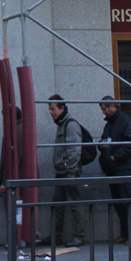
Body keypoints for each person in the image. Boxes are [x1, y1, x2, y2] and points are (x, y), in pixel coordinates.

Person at [97, 96, 131, 245]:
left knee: (127, 201)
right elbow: (105, 139)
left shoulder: (124, 121)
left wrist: (114, 157)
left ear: (112, 106)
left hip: (123, 168)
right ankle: (126, 233)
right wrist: (101, 145)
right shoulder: (111, 123)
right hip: (115, 168)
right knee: (120, 202)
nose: (103, 112)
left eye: (104, 109)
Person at [46, 94, 85, 248]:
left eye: (53, 109)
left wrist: (71, 170)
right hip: (63, 171)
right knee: (57, 205)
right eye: (49, 109)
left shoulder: (70, 124)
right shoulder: (63, 124)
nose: (50, 112)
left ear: (62, 108)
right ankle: (56, 236)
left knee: (75, 204)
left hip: (69, 172)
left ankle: (79, 235)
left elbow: (74, 150)